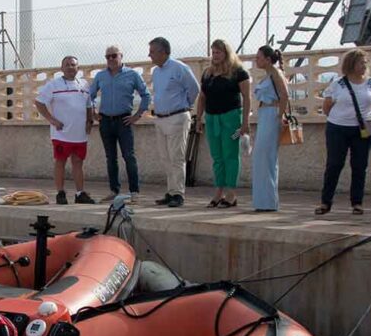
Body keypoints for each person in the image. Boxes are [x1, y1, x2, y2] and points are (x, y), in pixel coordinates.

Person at [317, 48, 371, 215]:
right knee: (334, 164)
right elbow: (327, 107)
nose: (364, 66)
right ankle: (326, 201)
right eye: (361, 62)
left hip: (362, 130)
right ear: (351, 64)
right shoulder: (338, 84)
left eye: (365, 63)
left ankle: (357, 202)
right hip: (338, 128)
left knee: (360, 165)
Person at [88, 45, 151, 204]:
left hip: (124, 121)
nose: (111, 59)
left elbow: (145, 95)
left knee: (129, 156)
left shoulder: (132, 75)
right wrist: (93, 113)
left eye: (114, 56)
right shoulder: (101, 76)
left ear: (121, 56)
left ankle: (134, 192)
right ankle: (113, 190)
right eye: (107, 56)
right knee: (111, 158)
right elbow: (90, 95)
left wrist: (137, 116)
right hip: (106, 121)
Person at [197, 39, 251, 208]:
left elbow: (247, 98)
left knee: (230, 156)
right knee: (217, 157)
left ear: (226, 53)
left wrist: (245, 123)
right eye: (213, 52)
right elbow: (202, 97)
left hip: (231, 117)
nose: (215, 56)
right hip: (212, 118)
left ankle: (231, 193)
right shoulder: (207, 73)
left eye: (218, 52)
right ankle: (218, 191)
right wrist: (199, 118)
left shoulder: (238, 72)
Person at [35, 55, 96, 205]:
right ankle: (60, 193)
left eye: (73, 65)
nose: (70, 67)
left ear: (77, 68)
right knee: (60, 162)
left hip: (80, 134)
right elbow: (39, 102)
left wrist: (89, 120)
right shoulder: (53, 85)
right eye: (67, 65)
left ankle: (80, 193)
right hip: (61, 133)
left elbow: (89, 105)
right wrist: (52, 120)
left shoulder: (84, 85)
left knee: (78, 162)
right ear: (62, 68)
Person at [147, 36, 200, 208]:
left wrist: (185, 105)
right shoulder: (156, 72)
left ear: (163, 52)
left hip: (177, 117)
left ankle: (178, 193)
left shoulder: (179, 68)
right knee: (165, 157)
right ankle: (170, 191)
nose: (150, 55)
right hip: (161, 118)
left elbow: (194, 89)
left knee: (176, 156)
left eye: (153, 51)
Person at [250, 45, 288, 211]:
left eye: (259, 57)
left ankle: (269, 202)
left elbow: (284, 94)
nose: (256, 60)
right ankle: (263, 201)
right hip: (265, 113)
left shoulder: (275, 73)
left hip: (272, 114)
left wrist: (280, 116)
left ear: (267, 59)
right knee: (261, 158)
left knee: (266, 156)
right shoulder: (268, 75)